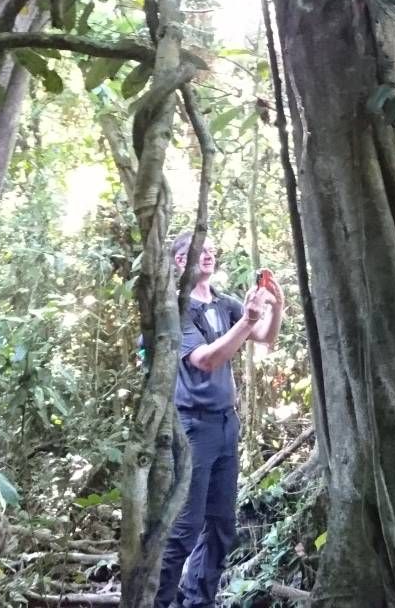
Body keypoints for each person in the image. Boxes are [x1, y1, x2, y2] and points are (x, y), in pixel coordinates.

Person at [155, 231, 283, 608]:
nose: (208, 256)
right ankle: (159, 601)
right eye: (199, 252)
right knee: (185, 527)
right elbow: (207, 359)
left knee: (221, 524)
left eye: (212, 250)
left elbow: (263, 336)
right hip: (193, 427)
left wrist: (276, 305)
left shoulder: (224, 303)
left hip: (226, 424)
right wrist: (247, 320)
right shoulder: (176, 309)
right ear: (180, 261)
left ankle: (199, 601)